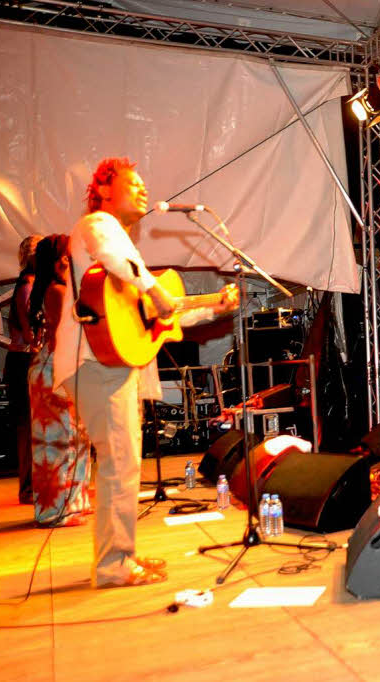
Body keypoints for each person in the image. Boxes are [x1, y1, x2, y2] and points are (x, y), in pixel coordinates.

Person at [52, 158, 239, 588]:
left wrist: (213, 306)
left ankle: (122, 558)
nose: (142, 190)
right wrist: (155, 289)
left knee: (123, 463)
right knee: (120, 463)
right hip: (93, 361)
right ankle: (115, 566)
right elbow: (117, 260)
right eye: (131, 184)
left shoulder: (127, 264)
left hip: (110, 364)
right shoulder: (97, 224)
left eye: (143, 184)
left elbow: (159, 319)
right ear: (103, 191)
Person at [26, 234, 93, 527]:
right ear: (58, 261)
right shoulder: (55, 290)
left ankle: (75, 502)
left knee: (77, 437)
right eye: (68, 255)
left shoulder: (63, 288)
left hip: (63, 368)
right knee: (58, 442)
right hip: (53, 369)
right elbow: (62, 333)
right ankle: (55, 509)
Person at [5, 235, 42, 504]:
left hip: (25, 361)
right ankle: (28, 488)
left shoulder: (32, 285)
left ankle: (33, 486)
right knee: (28, 427)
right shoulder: (27, 287)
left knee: (32, 426)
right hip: (24, 361)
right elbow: (30, 335)